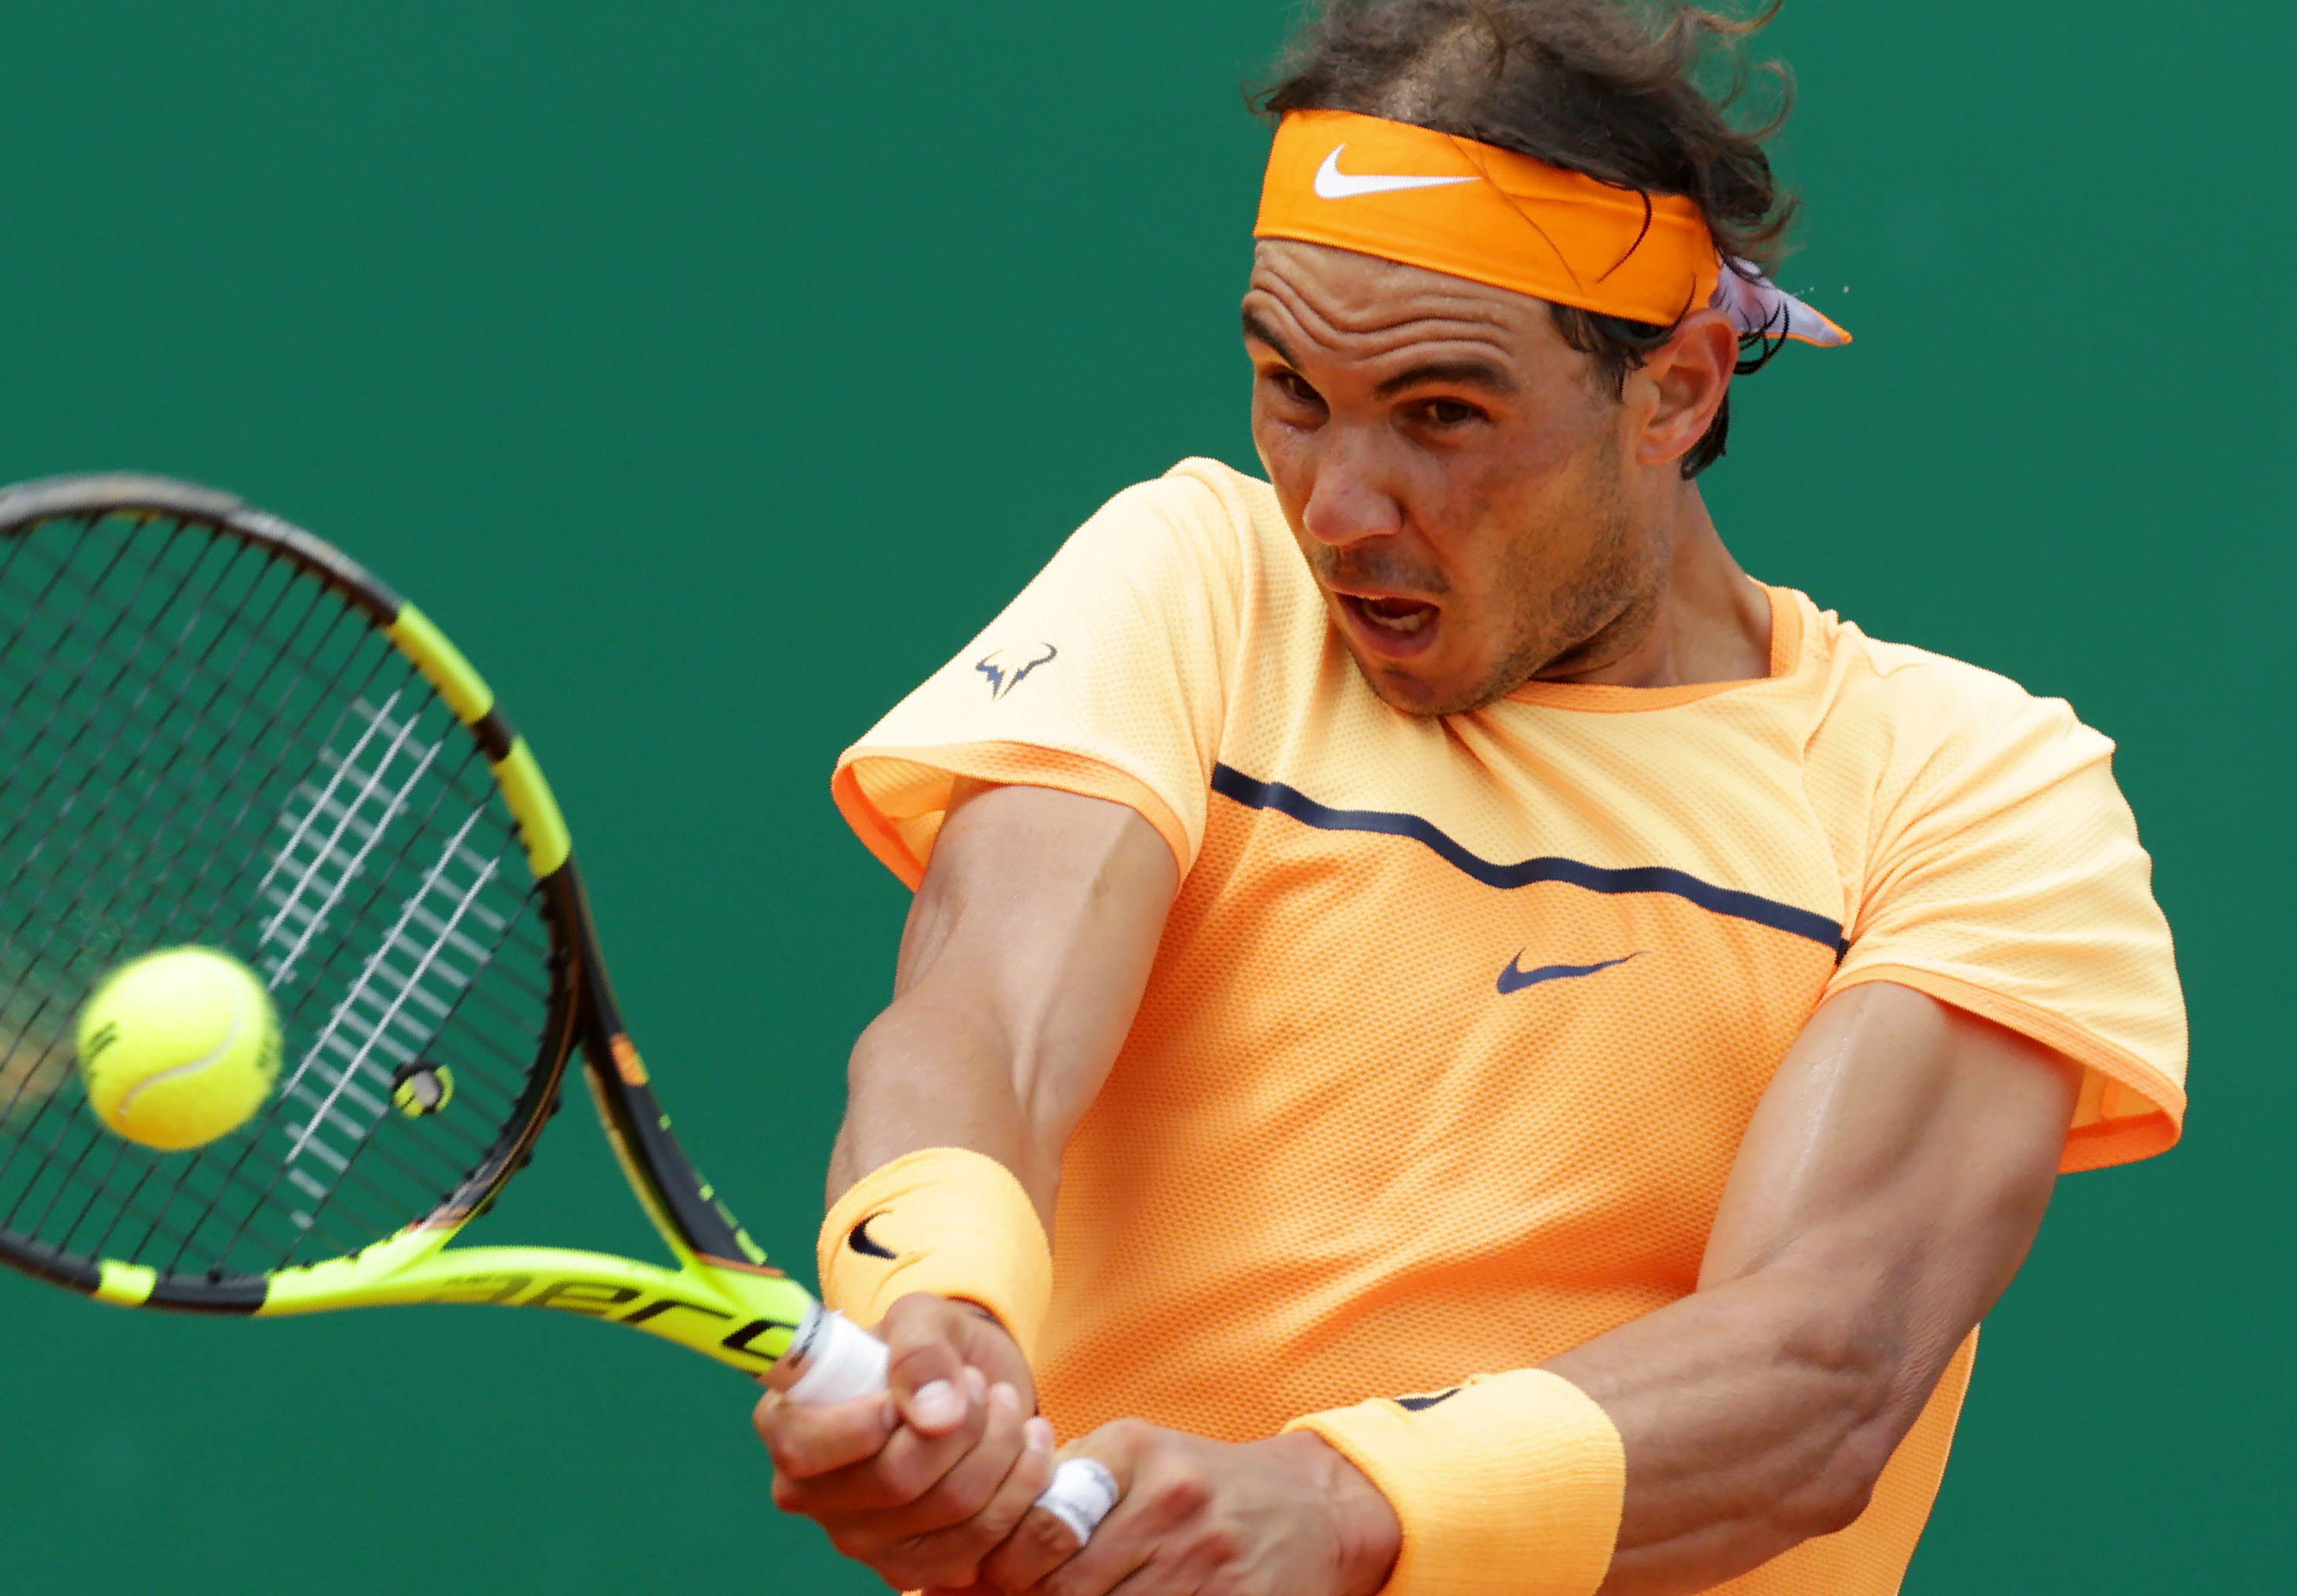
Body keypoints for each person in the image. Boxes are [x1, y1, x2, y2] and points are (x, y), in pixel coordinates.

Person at [752, 2, 2187, 1591]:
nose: (1341, 504)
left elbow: (1820, 1367)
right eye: (1290, 389)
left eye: (1442, 412)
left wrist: (1341, 1503)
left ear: (1678, 390)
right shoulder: (1194, 579)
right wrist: (936, 1315)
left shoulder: (1971, 785)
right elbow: (985, 1025)